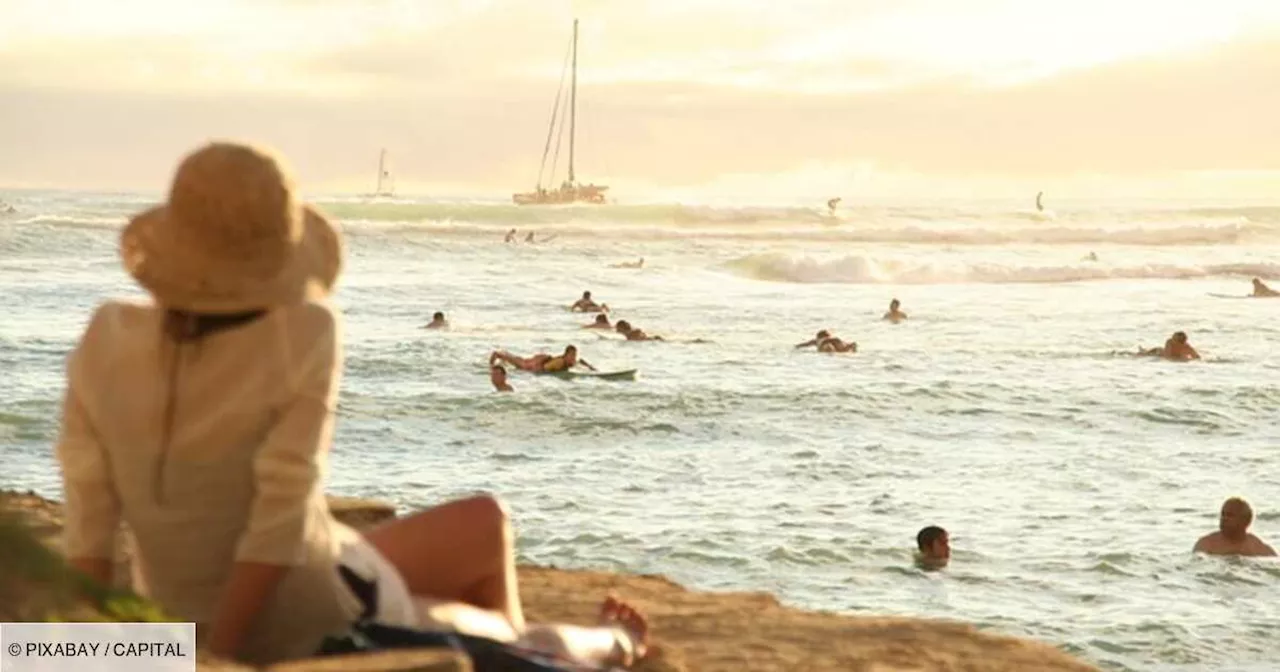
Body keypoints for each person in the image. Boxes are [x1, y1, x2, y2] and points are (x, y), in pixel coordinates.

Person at [54, 142, 648, 668]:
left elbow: (90, 530)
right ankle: (613, 644)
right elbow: (276, 526)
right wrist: (219, 660)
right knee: (511, 637)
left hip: (183, 620)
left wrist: (99, 653)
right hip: (310, 617)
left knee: (485, 521)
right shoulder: (303, 328)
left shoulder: (106, 335)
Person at [1193, 498, 1276, 557]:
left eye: (1230, 515)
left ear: (1246, 521)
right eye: (1223, 514)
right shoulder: (1206, 544)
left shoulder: (1259, 548)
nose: (1224, 518)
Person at [490, 345, 596, 373]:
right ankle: (494, 359)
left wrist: (590, 367)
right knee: (517, 361)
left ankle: (503, 354)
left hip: (540, 360)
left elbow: (580, 361)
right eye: (572, 355)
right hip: (531, 365)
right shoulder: (560, 362)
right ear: (567, 354)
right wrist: (531, 371)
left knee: (514, 358)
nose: (574, 358)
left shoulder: (568, 361)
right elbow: (544, 368)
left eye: (575, 355)